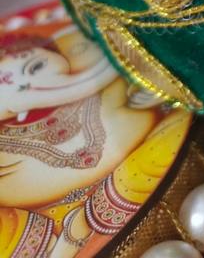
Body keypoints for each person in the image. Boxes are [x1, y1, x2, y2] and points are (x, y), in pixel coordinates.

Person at [0, 19, 189, 258]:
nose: (23, 85)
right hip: (63, 225)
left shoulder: (78, 55)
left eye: (35, 66)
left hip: (159, 171)